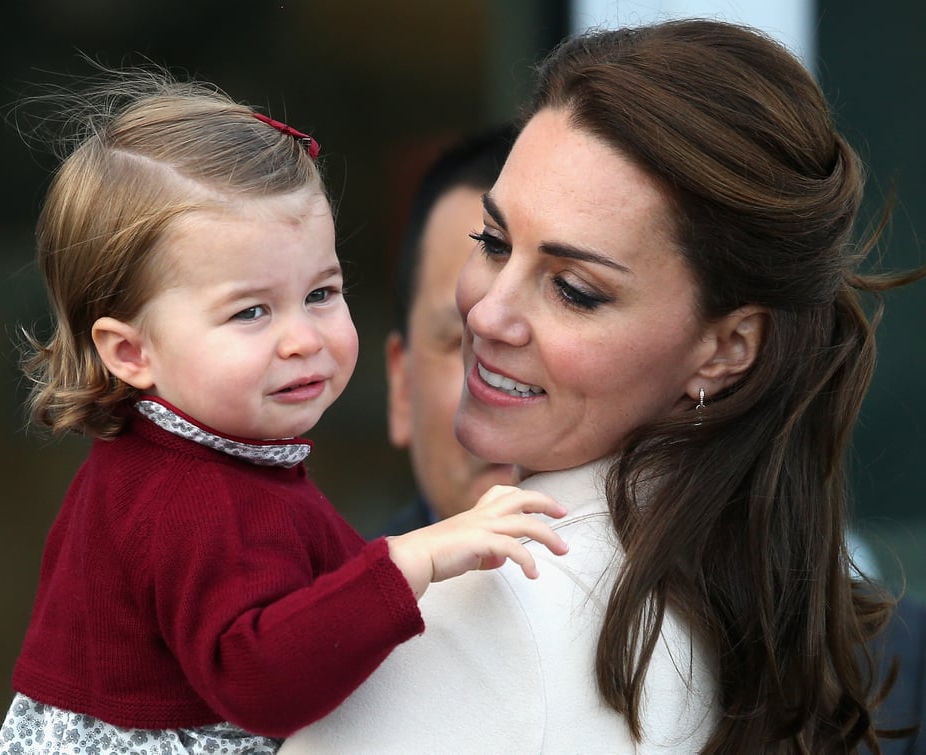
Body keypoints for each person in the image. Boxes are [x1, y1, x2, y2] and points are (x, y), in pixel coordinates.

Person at [281, 18, 926, 753]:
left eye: (576, 290)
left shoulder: (490, 605)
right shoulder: (746, 593)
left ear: (726, 348)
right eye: (493, 242)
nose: (488, 315)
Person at [0, 68, 570, 754]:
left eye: (322, 292)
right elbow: (263, 681)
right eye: (252, 310)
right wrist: (413, 561)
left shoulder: (225, 459)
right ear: (132, 351)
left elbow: (322, 592)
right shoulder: (185, 497)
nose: (302, 339)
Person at [381, 124, 519, 534]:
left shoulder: (703, 595)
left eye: (574, 295)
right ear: (402, 385)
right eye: (464, 340)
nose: (506, 384)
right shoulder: (327, 598)